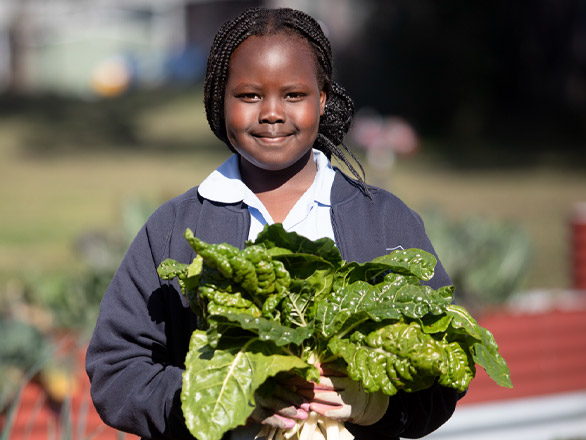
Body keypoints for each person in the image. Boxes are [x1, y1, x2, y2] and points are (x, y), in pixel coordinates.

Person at [86, 7, 459, 440]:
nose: (272, 113)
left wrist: (375, 404)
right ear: (219, 100)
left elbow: (445, 367)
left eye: (293, 95)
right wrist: (224, 399)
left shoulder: (384, 221)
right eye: (249, 96)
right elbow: (116, 370)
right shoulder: (174, 229)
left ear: (323, 99)